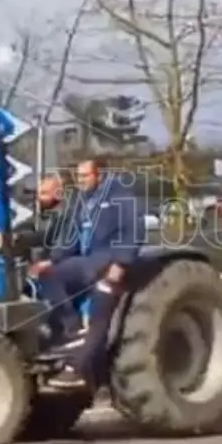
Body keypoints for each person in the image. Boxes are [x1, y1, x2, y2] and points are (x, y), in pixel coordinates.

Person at [32, 158, 143, 390]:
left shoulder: (120, 196)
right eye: (78, 177)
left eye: (85, 176)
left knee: (100, 311)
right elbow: (71, 237)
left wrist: (121, 263)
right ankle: (71, 330)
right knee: (50, 276)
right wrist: (51, 261)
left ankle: (78, 369)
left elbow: (133, 228)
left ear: (99, 175)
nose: (80, 181)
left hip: (107, 261)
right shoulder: (82, 200)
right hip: (86, 262)